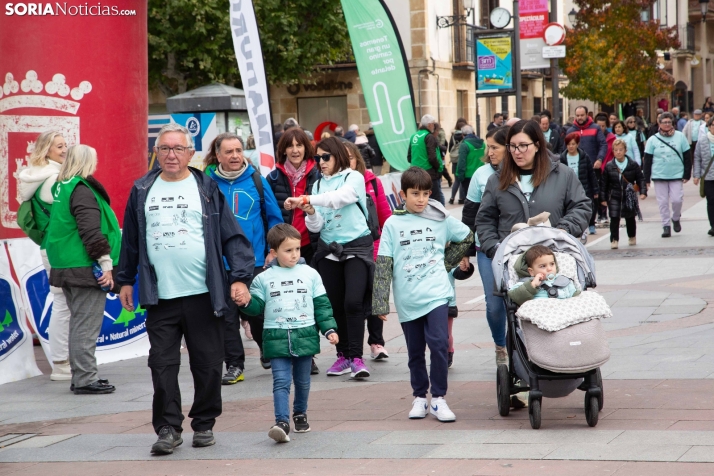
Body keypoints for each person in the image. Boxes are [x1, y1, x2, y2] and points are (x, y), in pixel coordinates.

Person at [116, 123, 255, 455]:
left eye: (178, 149)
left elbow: (232, 236)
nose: (171, 155)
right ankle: (167, 428)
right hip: (159, 296)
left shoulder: (206, 186)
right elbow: (131, 242)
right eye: (164, 148)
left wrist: (239, 277)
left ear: (191, 154)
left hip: (204, 295)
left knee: (208, 364)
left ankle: (204, 423)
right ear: (156, 153)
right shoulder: (141, 190)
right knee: (161, 365)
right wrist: (124, 279)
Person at [372, 167, 473, 422]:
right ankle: (420, 397)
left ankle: (439, 398)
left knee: (439, 344)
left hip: (437, 293)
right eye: (415, 193)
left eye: (426, 193)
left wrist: (446, 262)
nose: (420, 199)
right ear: (403, 194)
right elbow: (384, 261)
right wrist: (380, 303)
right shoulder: (392, 223)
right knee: (415, 351)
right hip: (407, 299)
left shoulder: (440, 217)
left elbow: (466, 237)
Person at [239, 224, 339, 443]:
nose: (294, 254)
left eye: (297, 249)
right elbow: (256, 308)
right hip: (275, 336)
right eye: (288, 250)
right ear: (274, 252)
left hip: (305, 334)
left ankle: (300, 414)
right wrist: (245, 303)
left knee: (303, 382)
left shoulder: (310, 274)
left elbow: (322, 305)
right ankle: (282, 422)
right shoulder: (263, 278)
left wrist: (329, 329)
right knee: (281, 381)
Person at [284, 137, 373, 379]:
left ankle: (356, 357)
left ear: (338, 156)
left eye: (326, 157)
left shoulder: (351, 177)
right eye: (317, 158)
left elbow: (341, 198)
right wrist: (310, 211)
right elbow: (316, 226)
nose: (321, 162)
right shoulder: (317, 186)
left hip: (357, 248)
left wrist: (305, 200)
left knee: (353, 302)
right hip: (329, 250)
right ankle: (343, 356)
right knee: (334, 306)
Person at [204, 132, 284, 382]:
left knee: (255, 311)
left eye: (238, 150)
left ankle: (265, 349)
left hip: (254, 262)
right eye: (229, 152)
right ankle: (235, 365)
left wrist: (273, 250)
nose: (235, 156)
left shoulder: (257, 180)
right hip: (219, 262)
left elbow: (274, 218)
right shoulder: (206, 182)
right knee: (226, 316)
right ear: (218, 156)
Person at [44, 144, 119, 395]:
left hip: (66, 263)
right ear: (87, 161)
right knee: (86, 325)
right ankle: (86, 378)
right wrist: (105, 263)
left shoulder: (62, 187)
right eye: (94, 160)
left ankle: (81, 376)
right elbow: (91, 230)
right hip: (84, 265)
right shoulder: (82, 189)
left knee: (78, 322)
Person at [476, 119, 591, 263]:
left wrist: (563, 229)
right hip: (512, 262)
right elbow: (485, 219)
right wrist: (495, 247)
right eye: (512, 146)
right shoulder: (496, 180)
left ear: (537, 145)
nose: (517, 152)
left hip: (555, 260)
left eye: (523, 146)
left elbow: (581, 207)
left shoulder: (563, 175)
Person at [17, 131, 72, 381]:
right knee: (63, 305)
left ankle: (63, 361)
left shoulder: (37, 177)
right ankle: (61, 363)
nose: (65, 150)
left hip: (50, 247)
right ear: (46, 151)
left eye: (65, 145)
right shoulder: (53, 180)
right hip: (61, 249)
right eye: (59, 146)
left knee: (63, 304)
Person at [462, 126, 509, 366]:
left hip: (516, 249)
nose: (489, 152)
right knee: (494, 306)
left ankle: (520, 347)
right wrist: (465, 252)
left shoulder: (519, 173)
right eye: (487, 147)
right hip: (485, 250)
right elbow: (470, 214)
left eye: (494, 147)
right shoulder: (480, 175)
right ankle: (500, 346)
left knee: (519, 302)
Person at [347, 143, 392, 360]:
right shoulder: (336, 185)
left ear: (357, 159)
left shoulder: (372, 180)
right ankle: (350, 348)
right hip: (352, 249)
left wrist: (391, 242)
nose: (348, 161)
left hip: (376, 246)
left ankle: (377, 342)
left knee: (379, 295)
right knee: (355, 299)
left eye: (351, 157)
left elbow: (384, 212)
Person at [267, 128, 321, 265]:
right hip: (283, 247)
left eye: (299, 145)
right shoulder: (273, 178)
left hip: (311, 244)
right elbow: (266, 214)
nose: (295, 150)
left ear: (306, 148)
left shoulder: (318, 176)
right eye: (290, 146)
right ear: (284, 150)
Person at [643, 112, 692, 237]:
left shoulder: (680, 137)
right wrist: (646, 179)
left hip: (676, 174)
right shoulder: (652, 140)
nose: (667, 124)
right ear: (659, 123)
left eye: (669, 122)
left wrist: (687, 174)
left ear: (672, 123)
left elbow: (687, 156)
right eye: (664, 122)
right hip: (659, 175)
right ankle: (666, 225)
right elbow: (647, 160)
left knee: (677, 199)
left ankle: (675, 217)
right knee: (663, 202)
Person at [600, 139, 647, 249]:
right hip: (614, 195)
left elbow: (640, 179)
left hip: (629, 195)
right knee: (614, 218)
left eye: (621, 150)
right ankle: (614, 239)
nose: (618, 152)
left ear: (625, 150)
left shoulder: (632, 164)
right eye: (616, 150)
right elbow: (604, 183)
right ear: (613, 151)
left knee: (630, 217)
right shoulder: (609, 166)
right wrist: (603, 198)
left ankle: (632, 236)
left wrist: (643, 191)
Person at [507, 245, 580, 305]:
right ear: (531, 271)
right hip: (540, 313)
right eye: (542, 266)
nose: (549, 269)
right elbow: (515, 297)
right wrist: (532, 285)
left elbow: (575, 298)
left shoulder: (564, 281)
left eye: (552, 264)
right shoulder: (526, 283)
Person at [560, 133, 599, 235]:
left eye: (573, 144)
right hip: (568, 188)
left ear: (577, 144)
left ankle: (591, 224)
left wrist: (595, 189)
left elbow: (591, 173)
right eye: (568, 144)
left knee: (589, 206)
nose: (571, 146)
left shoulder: (584, 156)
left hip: (584, 186)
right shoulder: (562, 158)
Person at [407, 114, 445, 205]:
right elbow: (432, 157)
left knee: (419, 200)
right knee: (436, 200)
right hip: (429, 173)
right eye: (433, 124)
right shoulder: (429, 136)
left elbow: (409, 157)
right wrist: (438, 167)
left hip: (414, 173)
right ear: (430, 124)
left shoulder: (414, 136)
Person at [453, 125, 485, 205]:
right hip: (480, 174)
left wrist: (460, 176)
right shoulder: (482, 144)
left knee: (470, 200)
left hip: (468, 176)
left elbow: (462, 162)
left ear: (462, 135)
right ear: (473, 133)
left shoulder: (464, 145)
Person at [693, 117, 714, 235]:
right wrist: (696, 175)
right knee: (711, 200)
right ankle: (713, 226)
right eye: (713, 125)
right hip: (708, 176)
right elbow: (697, 158)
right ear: (709, 126)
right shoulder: (702, 140)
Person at [447, 120, 467, 204]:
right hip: (462, 160)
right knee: (462, 180)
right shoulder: (465, 136)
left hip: (455, 161)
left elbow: (449, 148)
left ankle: (452, 198)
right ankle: (461, 198)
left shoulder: (453, 135)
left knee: (456, 180)